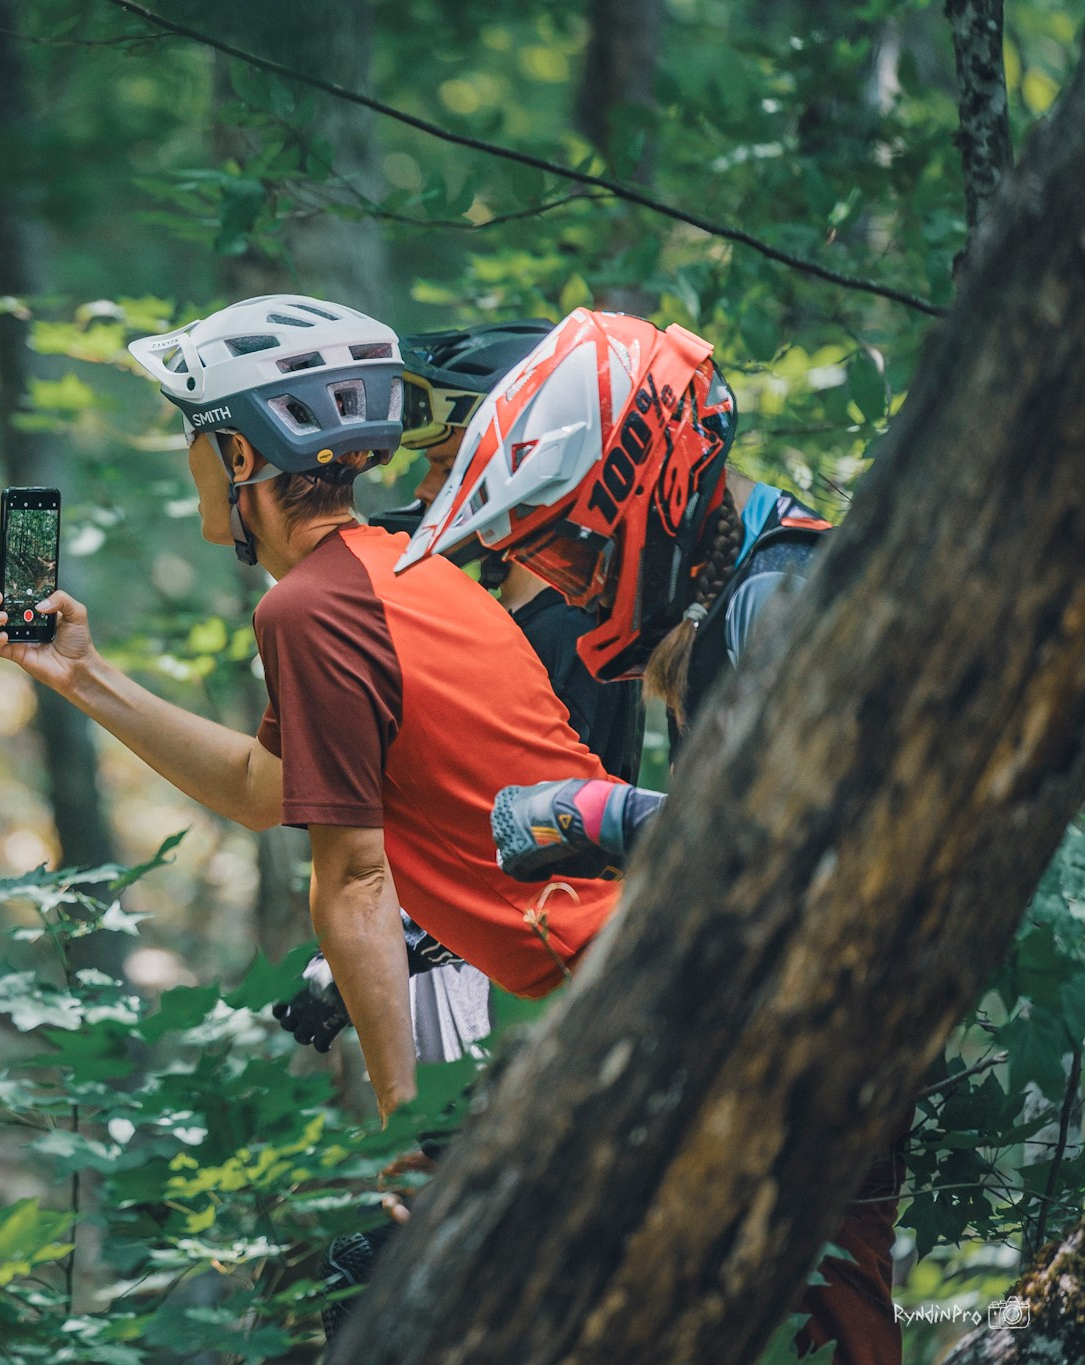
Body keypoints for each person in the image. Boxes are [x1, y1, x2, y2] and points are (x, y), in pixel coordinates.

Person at [0, 293, 623, 1121]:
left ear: (239, 451)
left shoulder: (314, 608)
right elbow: (262, 788)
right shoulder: (409, 569)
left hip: (579, 991)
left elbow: (356, 881)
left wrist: (406, 1121)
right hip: (608, 954)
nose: (193, 462)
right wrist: (82, 674)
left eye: (196, 439)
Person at [403, 308, 887, 1365]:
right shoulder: (729, 596)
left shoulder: (781, 598)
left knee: (825, 1330)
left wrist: (607, 816)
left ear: (636, 488)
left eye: (563, 546)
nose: (565, 582)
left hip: (823, 1069)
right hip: (765, 1053)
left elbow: (833, 856)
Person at [277, 320, 647, 1060]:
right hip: (482, 970)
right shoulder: (489, 613)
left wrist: (384, 949)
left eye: (445, 468)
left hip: (529, 986)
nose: (422, 492)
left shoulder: (568, 633)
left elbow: (523, 847)